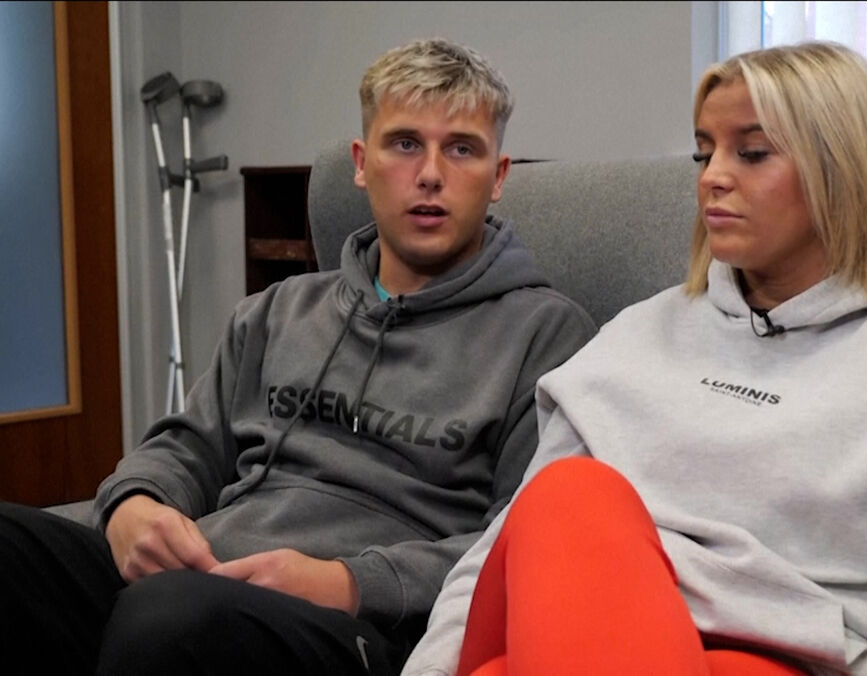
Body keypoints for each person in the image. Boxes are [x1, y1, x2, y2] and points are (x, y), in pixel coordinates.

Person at [402, 42, 867, 676]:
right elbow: (505, 546)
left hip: (778, 653)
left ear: (844, 170)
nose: (713, 177)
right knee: (567, 498)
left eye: (751, 153)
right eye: (705, 153)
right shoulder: (636, 335)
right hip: (563, 615)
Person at [0, 38, 595, 675]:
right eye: (404, 144)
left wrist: (349, 582)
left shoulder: (547, 336)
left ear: (498, 176)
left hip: (361, 624)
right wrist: (133, 502)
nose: (429, 173)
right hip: (208, 576)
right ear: (361, 164)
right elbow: (187, 446)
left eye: (461, 149)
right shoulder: (279, 309)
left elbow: (522, 542)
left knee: (167, 619)